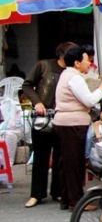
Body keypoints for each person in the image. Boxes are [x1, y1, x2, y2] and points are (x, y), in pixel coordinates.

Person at [53, 46, 102, 209]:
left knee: (67, 163)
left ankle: (67, 199)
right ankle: (76, 202)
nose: (89, 63)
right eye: (86, 60)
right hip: (72, 124)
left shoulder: (67, 75)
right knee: (75, 164)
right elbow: (89, 101)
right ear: (77, 63)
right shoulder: (74, 78)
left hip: (64, 123)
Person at [22, 41, 76, 208]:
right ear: (62, 55)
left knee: (60, 156)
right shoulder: (43, 66)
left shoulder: (72, 72)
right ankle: (36, 194)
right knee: (40, 156)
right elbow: (27, 85)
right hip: (43, 118)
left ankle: (58, 192)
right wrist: (37, 102)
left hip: (63, 118)